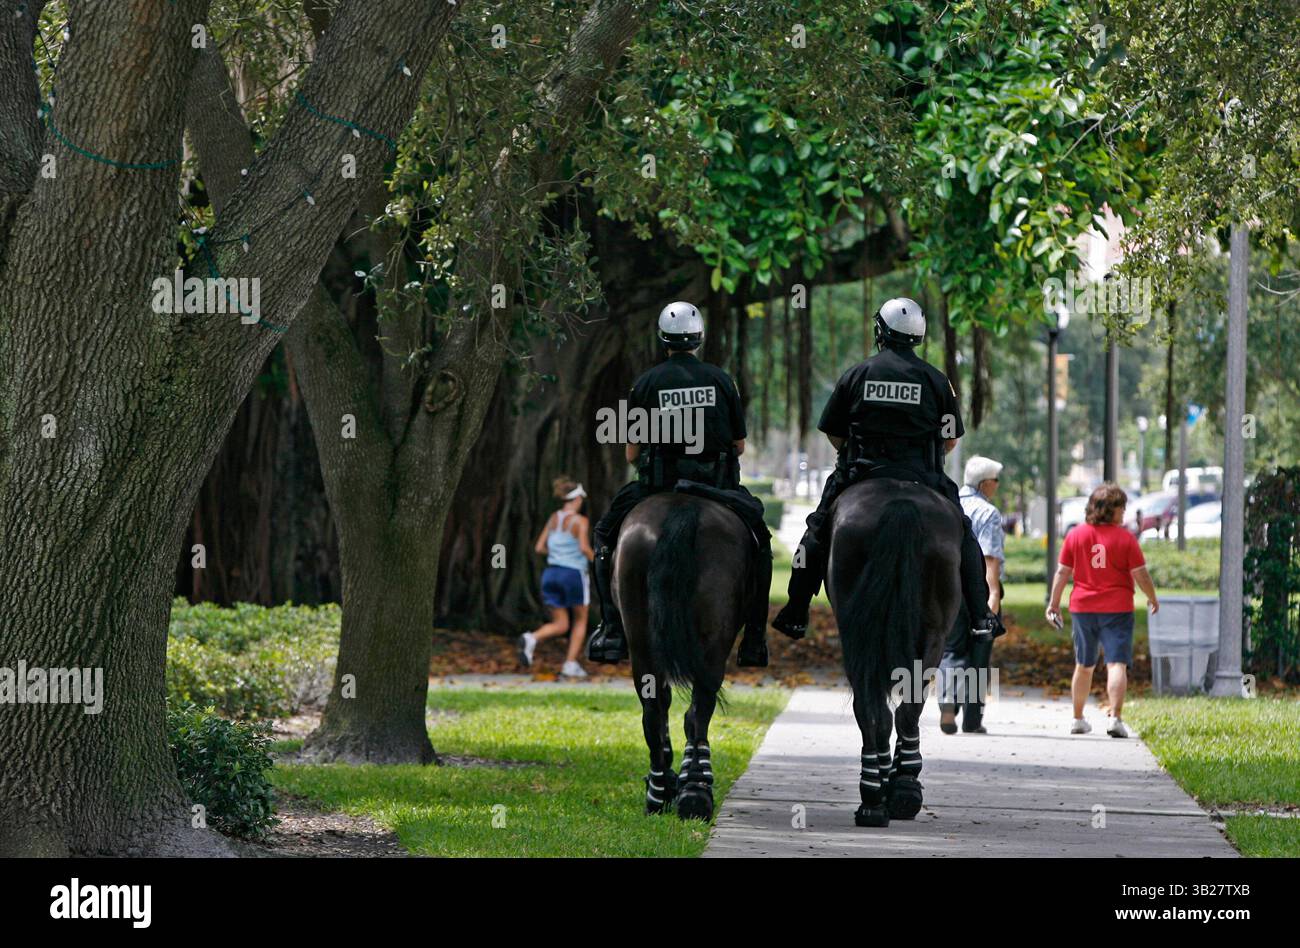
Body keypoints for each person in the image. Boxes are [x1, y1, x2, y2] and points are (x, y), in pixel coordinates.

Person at [771, 297, 1005, 644]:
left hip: (862, 473)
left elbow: (835, 432)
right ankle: (981, 614)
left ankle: (796, 610)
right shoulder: (936, 380)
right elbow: (950, 441)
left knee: (816, 535)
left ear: (881, 331)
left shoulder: (857, 374)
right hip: (923, 476)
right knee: (965, 536)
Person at [585, 301, 777, 667]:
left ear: (664, 340)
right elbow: (738, 445)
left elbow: (631, 453)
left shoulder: (646, 382)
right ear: (699, 338)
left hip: (659, 486)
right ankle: (754, 638)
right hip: (716, 486)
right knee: (759, 543)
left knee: (605, 537)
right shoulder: (722, 380)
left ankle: (611, 630)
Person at [1046, 482, 1160, 738]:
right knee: (1116, 663)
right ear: (1112, 510)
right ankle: (1115, 719)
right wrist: (1152, 597)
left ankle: (1077, 719)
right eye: (1121, 508)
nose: (1124, 513)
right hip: (1117, 609)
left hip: (1083, 608)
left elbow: (1063, 572)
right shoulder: (1126, 538)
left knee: (1083, 665)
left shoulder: (1076, 535)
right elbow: (1140, 574)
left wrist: (1054, 604)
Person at [938, 456, 1006, 734]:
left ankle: (947, 704)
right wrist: (993, 597)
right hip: (979, 591)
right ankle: (972, 720)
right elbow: (990, 558)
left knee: (952, 649)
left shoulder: (948, 506)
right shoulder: (988, 512)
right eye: (997, 482)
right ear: (986, 483)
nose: (998, 487)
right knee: (979, 654)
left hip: (948, 591)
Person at [518, 478, 595, 679]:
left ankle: (531, 638)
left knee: (561, 624)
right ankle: (569, 664)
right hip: (573, 575)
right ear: (577, 498)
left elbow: (539, 547)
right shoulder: (581, 521)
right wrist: (602, 560)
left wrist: (558, 554)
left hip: (551, 574)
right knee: (580, 619)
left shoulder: (554, 518)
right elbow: (584, 548)